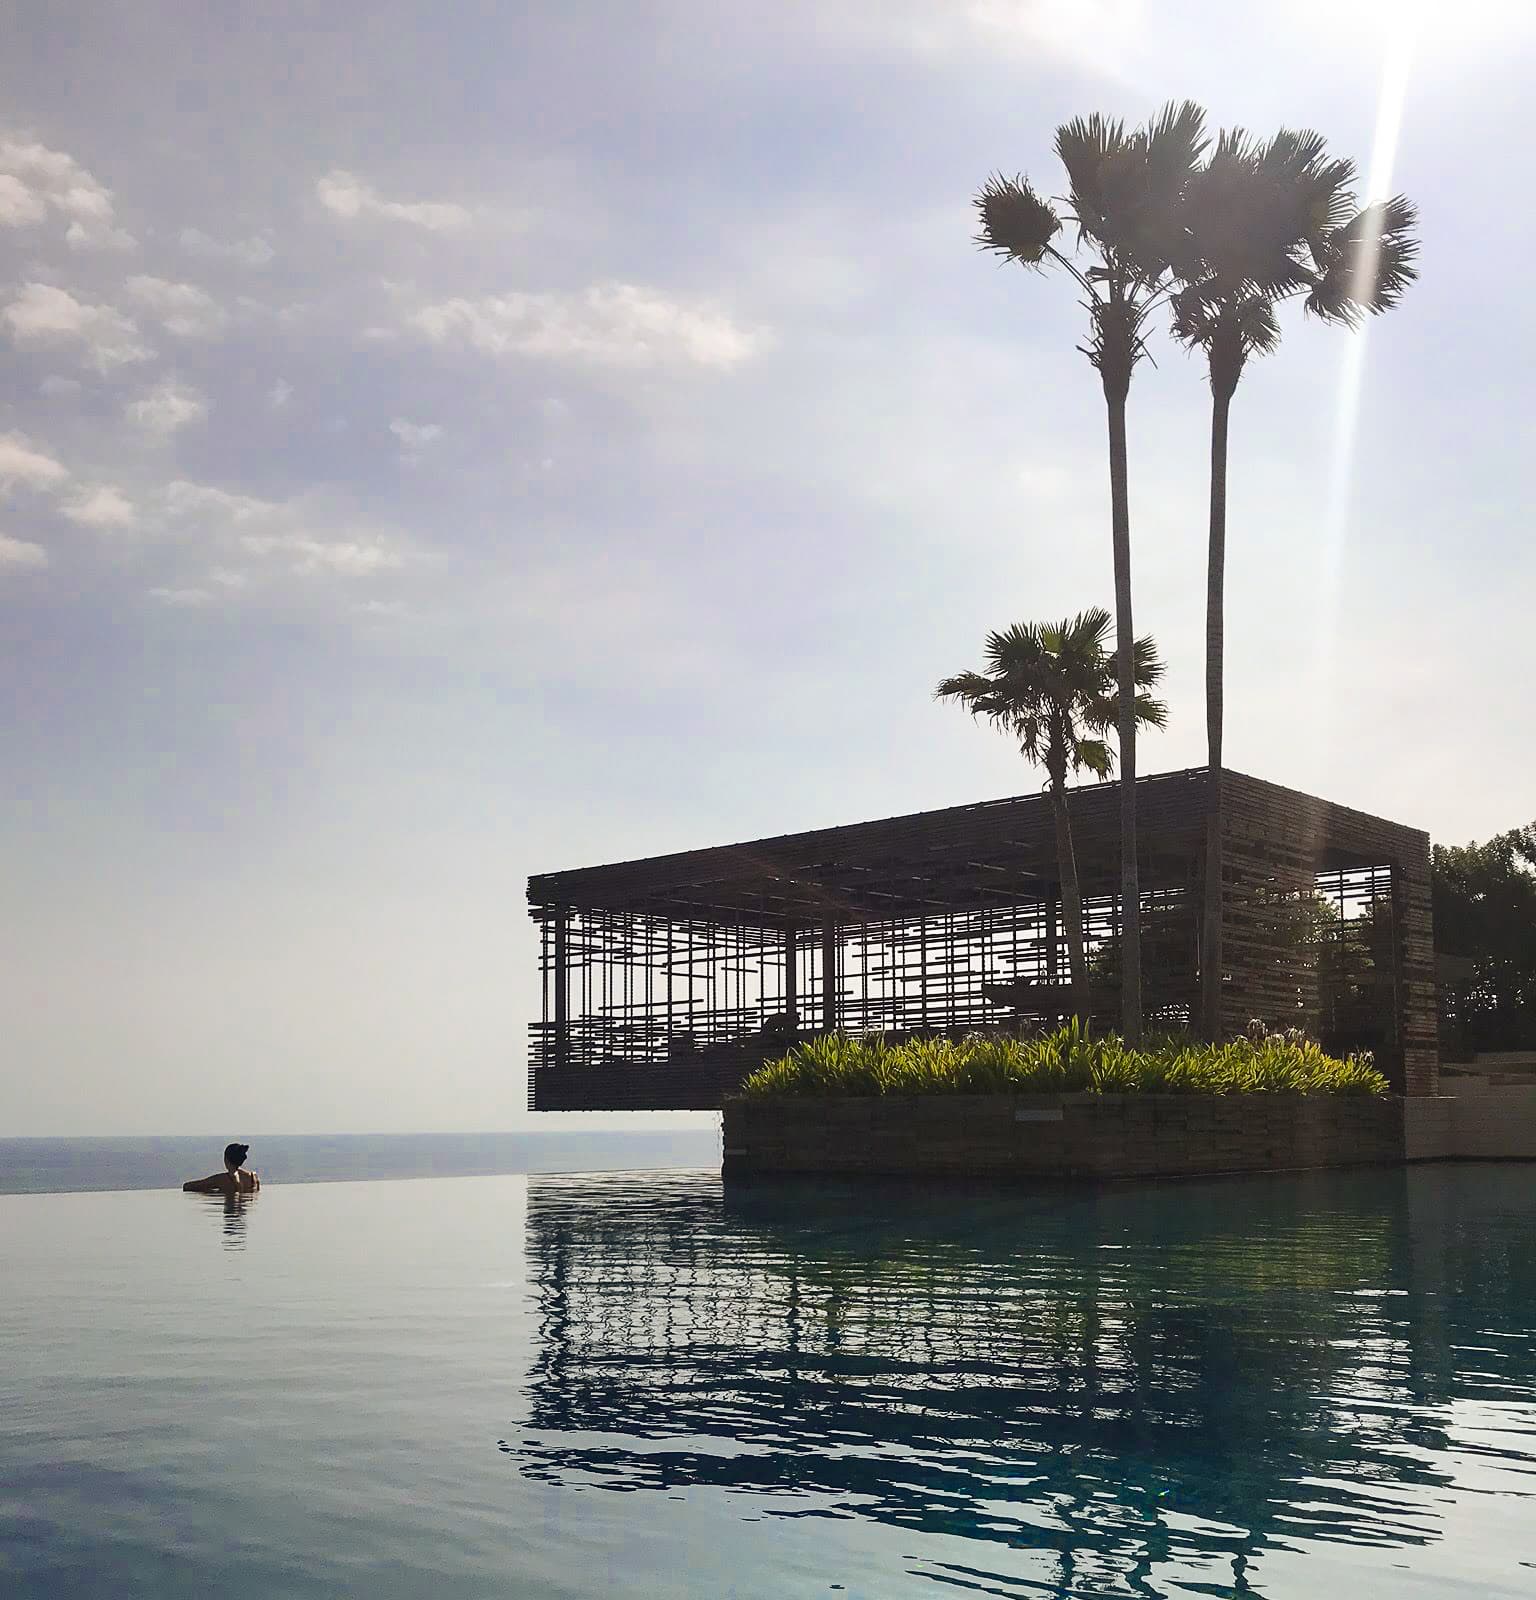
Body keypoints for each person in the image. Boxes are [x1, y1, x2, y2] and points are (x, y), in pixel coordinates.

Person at [183, 1142, 260, 1195]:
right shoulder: (254, 1178)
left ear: (226, 1160)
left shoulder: (222, 1179)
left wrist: (211, 1192)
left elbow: (187, 1186)